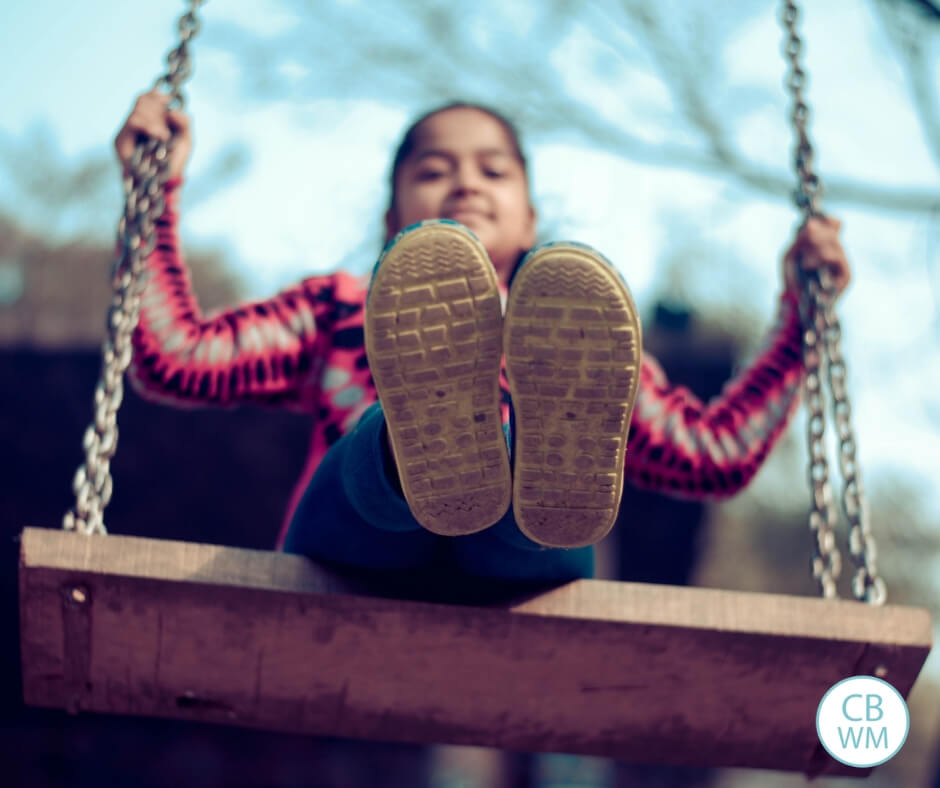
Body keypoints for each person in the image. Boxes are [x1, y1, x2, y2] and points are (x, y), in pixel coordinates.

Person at [116, 89, 851, 583]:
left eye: (492, 170)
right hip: (351, 564)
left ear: (531, 218)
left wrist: (802, 317)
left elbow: (710, 455)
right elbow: (176, 357)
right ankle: (413, 454)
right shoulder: (340, 310)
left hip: (517, 580)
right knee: (370, 465)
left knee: (534, 500)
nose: (465, 183)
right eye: (434, 170)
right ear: (390, 218)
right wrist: (154, 191)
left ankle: (531, 465)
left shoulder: (581, 342)